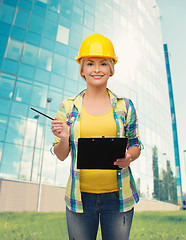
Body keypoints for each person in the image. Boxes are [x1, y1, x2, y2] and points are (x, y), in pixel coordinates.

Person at [51, 33, 143, 240]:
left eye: (103, 63)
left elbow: (136, 143)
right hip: (80, 198)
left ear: (111, 68)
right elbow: (61, 155)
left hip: (118, 198)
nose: (96, 69)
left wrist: (129, 157)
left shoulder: (125, 106)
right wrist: (64, 137)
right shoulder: (67, 107)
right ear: (82, 69)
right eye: (90, 63)